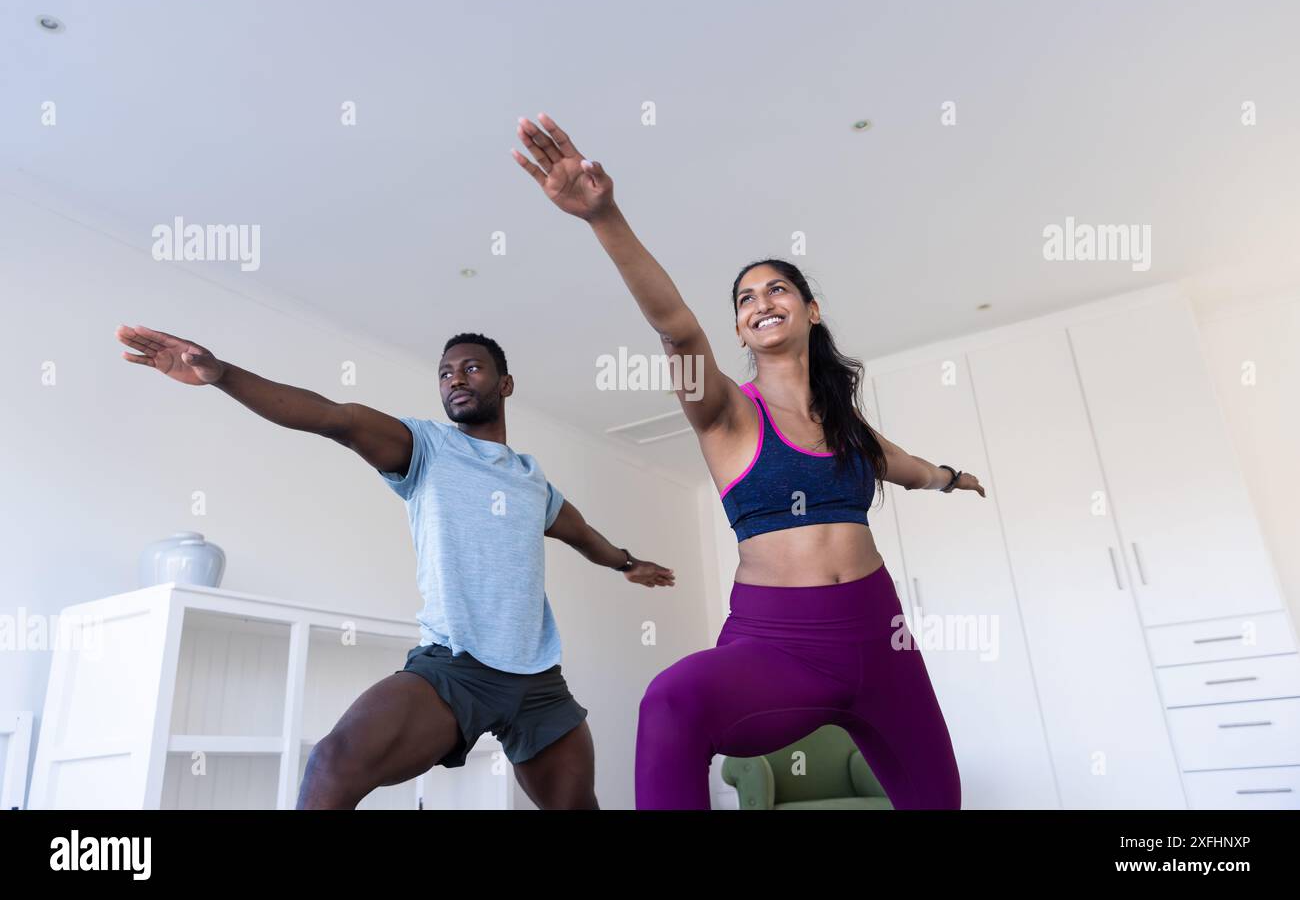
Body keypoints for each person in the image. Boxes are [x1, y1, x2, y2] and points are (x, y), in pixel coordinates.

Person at [513, 113, 983, 809]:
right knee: (672, 700)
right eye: (745, 298)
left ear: (810, 309)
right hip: (781, 644)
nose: (761, 301)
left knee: (940, 802)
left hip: (883, 643)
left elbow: (908, 466)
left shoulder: (851, 431)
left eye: (777, 289)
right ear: (738, 327)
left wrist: (952, 478)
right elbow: (675, 330)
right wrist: (603, 215)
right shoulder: (728, 413)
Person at [115, 324, 674, 809]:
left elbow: (580, 534)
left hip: (538, 682)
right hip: (455, 668)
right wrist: (222, 374)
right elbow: (333, 418)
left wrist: (628, 563)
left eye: (472, 368)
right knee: (337, 762)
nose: (455, 378)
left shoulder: (532, 481)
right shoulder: (426, 447)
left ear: (505, 385)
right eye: (445, 372)